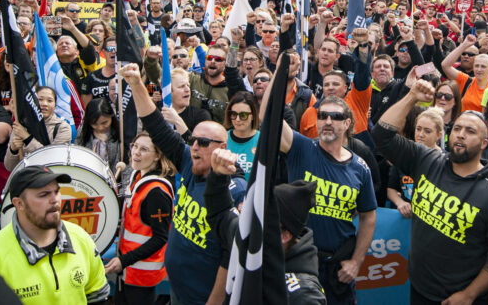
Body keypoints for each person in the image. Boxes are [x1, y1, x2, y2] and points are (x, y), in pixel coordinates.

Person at [373, 79, 488, 305]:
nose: (461, 134)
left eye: (470, 131)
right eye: (458, 129)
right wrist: (411, 96)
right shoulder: (427, 159)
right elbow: (382, 135)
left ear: (483, 143)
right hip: (419, 288)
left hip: (460, 298)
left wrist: (469, 295)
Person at [121, 63, 246, 305]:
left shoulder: (234, 189)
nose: (195, 146)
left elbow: (231, 255)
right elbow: (156, 126)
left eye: (203, 142)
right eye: (193, 141)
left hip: (204, 298)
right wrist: (137, 84)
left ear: (222, 148)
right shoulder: (189, 160)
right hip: (179, 291)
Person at [269, 68, 376, 305]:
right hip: (297, 264)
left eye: (336, 117)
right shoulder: (300, 147)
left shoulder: (361, 167)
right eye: (323, 116)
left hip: (338, 267)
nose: (328, 122)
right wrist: (280, 70)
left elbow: (368, 217)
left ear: (348, 123)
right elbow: (270, 116)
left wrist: (357, 262)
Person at [204, 150, 327, 305]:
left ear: (284, 235)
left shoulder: (303, 293)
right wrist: (218, 176)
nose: (250, 225)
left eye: (259, 221)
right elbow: (221, 215)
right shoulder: (249, 238)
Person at [0, 166, 110, 304]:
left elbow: (98, 297)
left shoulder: (80, 237)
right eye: (44, 194)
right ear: (19, 203)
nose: (54, 200)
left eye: (56, 192)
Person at [105, 133, 176, 305]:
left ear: (158, 155)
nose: (136, 152)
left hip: (143, 276)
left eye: (144, 149)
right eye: (134, 146)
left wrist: (123, 261)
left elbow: (160, 238)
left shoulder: (156, 192)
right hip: (129, 270)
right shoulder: (138, 175)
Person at [387, 107, 446, 218]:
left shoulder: (445, 160)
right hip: (406, 218)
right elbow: (391, 189)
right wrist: (400, 203)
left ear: (439, 135)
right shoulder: (404, 155)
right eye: (418, 129)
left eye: (427, 131)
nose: (421, 134)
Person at [5, 87, 72, 171]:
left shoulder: (62, 128)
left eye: (50, 101)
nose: (44, 104)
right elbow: (9, 167)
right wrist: (13, 150)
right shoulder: (21, 125)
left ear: (55, 105)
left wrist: (27, 138)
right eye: (40, 99)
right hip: (26, 179)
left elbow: (52, 159)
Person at [441, 35, 488, 112]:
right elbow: (445, 65)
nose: (479, 69)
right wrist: (464, 45)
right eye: (476, 66)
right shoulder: (467, 81)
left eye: (483, 67)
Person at [76, 98, 122, 174]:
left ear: (112, 116)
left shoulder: (120, 132)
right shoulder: (82, 132)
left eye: (104, 123)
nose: (100, 128)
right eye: (94, 124)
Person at [223, 91, 260, 180]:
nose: (238, 119)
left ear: (253, 116)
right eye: (234, 114)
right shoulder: (222, 138)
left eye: (243, 115)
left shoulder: (263, 140)